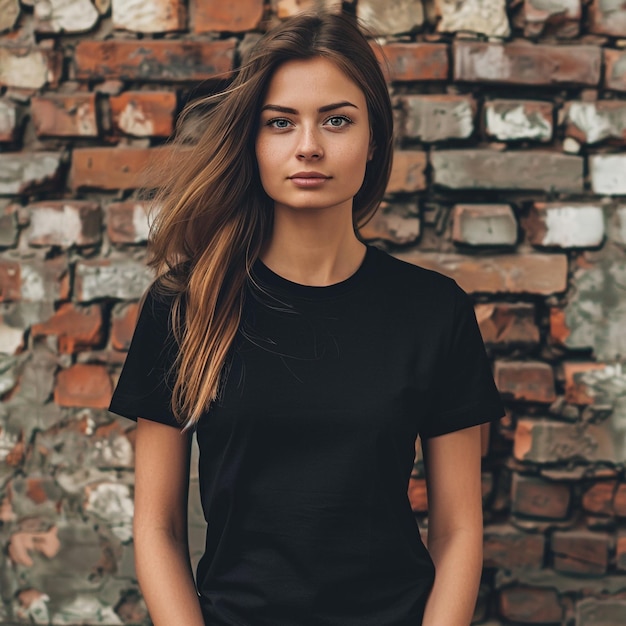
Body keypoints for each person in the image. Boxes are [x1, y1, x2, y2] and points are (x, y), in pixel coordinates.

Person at [108, 10, 505, 626]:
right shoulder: (185, 307)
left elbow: (458, 531)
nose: (309, 146)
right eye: (280, 123)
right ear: (253, 141)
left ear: (373, 140)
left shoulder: (434, 310)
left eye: (338, 120)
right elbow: (156, 528)